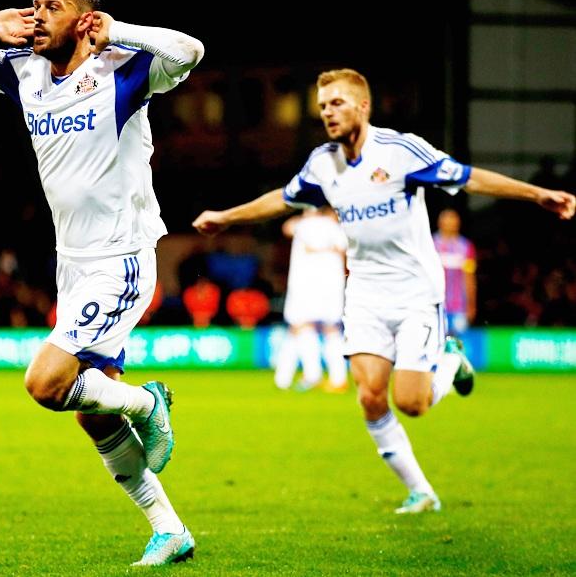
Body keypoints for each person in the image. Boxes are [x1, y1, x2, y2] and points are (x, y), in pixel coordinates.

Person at [193, 68, 576, 514]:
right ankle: (421, 491)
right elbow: (284, 198)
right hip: (365, 294)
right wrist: (227, 217)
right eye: (322, 107)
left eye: (337, 103)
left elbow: (468, 178)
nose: (328, 113)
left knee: (411, 403)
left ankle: (450, 363)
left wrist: (537, 195)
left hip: (415, 291)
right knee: (370, 396)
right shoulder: (324, 162)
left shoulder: (400, 151)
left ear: (363, 106)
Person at [0, 0, 204, 566]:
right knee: (88, 414)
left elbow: (191, 51)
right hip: (73, 261)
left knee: (44, 383)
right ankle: (171, 531)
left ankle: (147, 404)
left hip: (121, 257)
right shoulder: (26, 72)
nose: (35, 16)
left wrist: (119, 30)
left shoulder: (123, 70)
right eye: (32, 6)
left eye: (50, 7)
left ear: (85, 22)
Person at [274, 207, 348, 393]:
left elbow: (287, 227)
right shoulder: (336, 227)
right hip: (331, 285)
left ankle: (312, 374)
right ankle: (338, 378)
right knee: (331, 328)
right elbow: (344, 251)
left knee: (302, 326)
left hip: (304, 284)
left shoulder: (302, 224)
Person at [433, 209, 477, 335]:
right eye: (447, 219)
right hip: (435, 306)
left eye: (454, 220)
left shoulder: (466, 247)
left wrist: (471, 305)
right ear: (440, 222)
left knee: (458, 345)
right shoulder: (431, 244)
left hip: (459, 308)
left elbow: (469, 277)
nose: (451, 223)